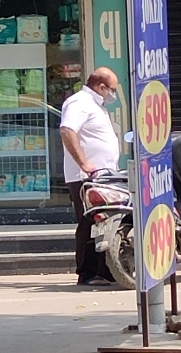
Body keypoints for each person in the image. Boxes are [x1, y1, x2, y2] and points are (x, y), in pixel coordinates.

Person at [59, 66, 120, 286]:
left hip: (102, 176)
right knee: (89, 222)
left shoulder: (95, 105)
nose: (113, 94)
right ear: (101, 87)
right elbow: (67, 130)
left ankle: (105, 271)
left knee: (106, 222)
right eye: (112, 89)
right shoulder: (80, 102)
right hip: (86, 176)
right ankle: (88, 272)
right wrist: (84, 163)